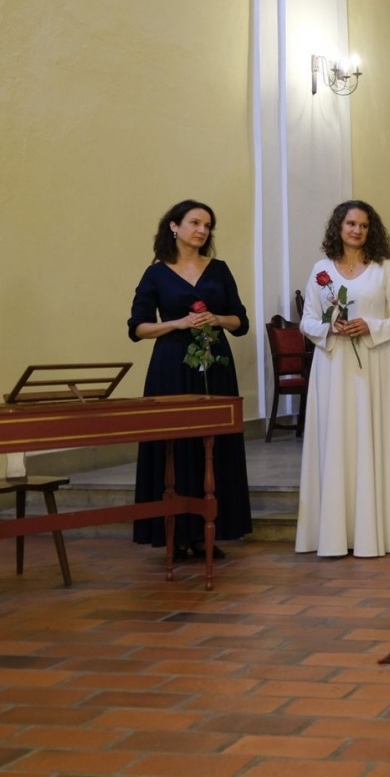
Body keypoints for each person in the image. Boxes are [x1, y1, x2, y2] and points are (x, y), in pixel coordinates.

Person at [127, 200, 252, 558]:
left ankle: (209, 531)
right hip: (171, 367)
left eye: (207, 225)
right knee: (174, 445)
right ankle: (176, 533)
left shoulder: (219, 269)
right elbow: (138, 328)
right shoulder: (155, 274)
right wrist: (178, 323)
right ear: (174, 226)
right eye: (195, 223)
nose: (202, 230)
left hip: (216, 365)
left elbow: (240, 321)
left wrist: (218, 319)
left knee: (214, 445)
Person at [294, 200, 390, 558]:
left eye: (363, 225)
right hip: (333, 365)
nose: (357, 230)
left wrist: (370, 325)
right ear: (339, 227)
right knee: (337, 438)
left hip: (373, 364)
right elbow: (307, 321)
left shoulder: (385, 267)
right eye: (351, 224)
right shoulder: (321, 269)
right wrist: (330, 327)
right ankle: (333, 532)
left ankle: (378, 531)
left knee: (371, 436)